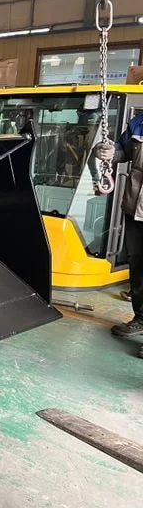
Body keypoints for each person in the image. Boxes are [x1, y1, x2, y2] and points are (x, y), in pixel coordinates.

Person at [94, 111, 143, 346]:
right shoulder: (139, 122)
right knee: (138, 263)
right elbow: (121, 151)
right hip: (136, 208)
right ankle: (141, 318)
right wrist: (108, 152)